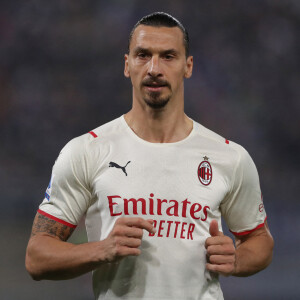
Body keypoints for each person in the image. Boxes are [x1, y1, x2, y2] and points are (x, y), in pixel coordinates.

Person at [25, 12, 274, 299]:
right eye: (143, 55)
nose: (154, 68)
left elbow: (259, 240)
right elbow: (37, 257)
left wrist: (237, 260)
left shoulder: (229, 156)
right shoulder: (86, 151)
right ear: (127, 64)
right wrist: (101, 249)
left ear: (188, 66)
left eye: (168, 56)